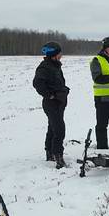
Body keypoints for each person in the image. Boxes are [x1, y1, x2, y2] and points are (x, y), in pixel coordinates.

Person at [32, 41, 70, 169]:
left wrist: (64, 90)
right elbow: (38, 84)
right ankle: (58, 156)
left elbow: (57, 83)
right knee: (59, 129)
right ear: (54, 54)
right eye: (60, 53)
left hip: (59, 102)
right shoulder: (44, 67)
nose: (61, 55)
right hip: (51, 103)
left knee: (52, 127)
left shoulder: (55, 66)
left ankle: (49, 152)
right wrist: (50, 95)